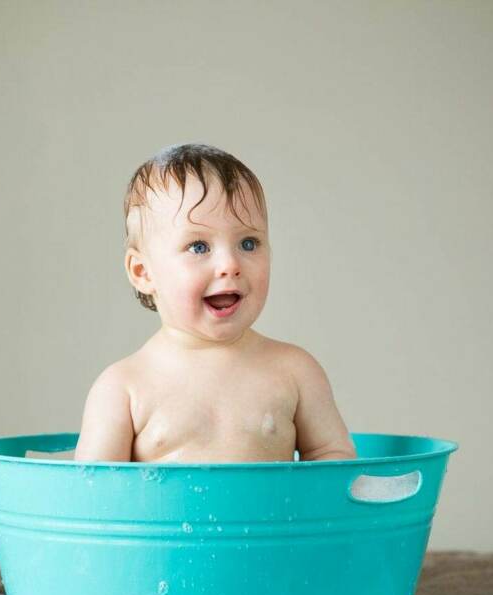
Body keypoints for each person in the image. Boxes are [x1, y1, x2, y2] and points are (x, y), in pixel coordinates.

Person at [73, 143, 355, 463]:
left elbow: (334, 461)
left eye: (249, 243)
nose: (230, 264)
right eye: (198, 247)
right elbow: (94, 495)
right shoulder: (124, 387)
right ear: (143, 272)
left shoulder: (295, 371)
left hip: (273, 516)